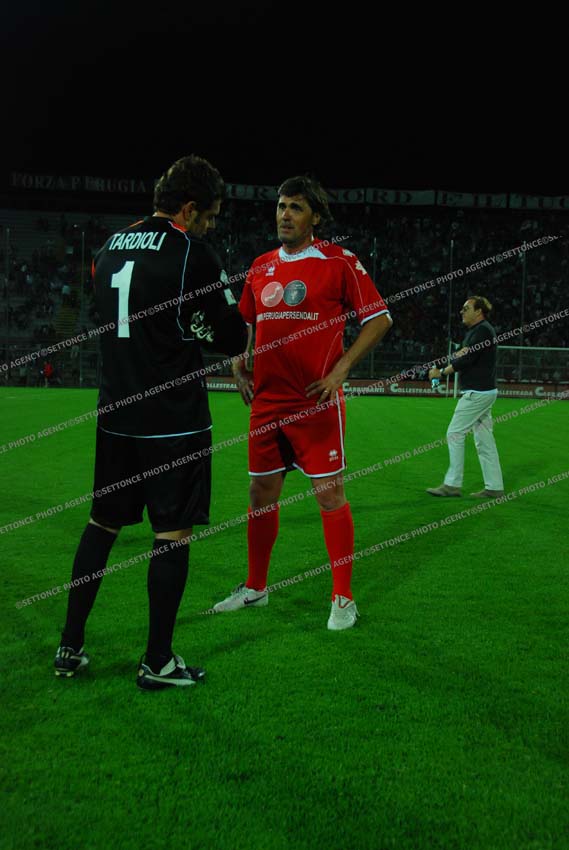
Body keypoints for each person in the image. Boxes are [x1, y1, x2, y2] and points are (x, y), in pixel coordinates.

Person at [54, 155, 248, 689]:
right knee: (172, 533)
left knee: (102, 524)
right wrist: (210, 324)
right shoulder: (192, 253)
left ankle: (69, 646)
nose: (210, 225)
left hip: (117, 413)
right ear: (188, 208)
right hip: (173, 420)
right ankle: (158, 661)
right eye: (209, 215)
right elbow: (231, 336)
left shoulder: (109, 247)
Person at [213, 175, 393, 630]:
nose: (285, 215)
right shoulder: (260, 266)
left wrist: (342, 369)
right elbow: (246, 323)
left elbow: (379, 319)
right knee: (260, 493)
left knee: (329, 494)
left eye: (295, 207)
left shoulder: (339, 261)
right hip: (267, 403)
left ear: (315, 216)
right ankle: (256, 588)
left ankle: (343, 598)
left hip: (315, 402)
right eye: (281, 206)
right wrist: (238, 361)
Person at [427, 295, 504, 499]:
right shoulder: (477, 331)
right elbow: (462, 355)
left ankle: (452, 484)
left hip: (477, 393)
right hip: (484, 392)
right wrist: (444, 366)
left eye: (466, 308)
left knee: (455, 433)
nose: (461, 311)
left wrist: (441, 373)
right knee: (484, 440)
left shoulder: (482, 331)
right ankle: (494, 487)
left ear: (478, 311)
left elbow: (466, 359)